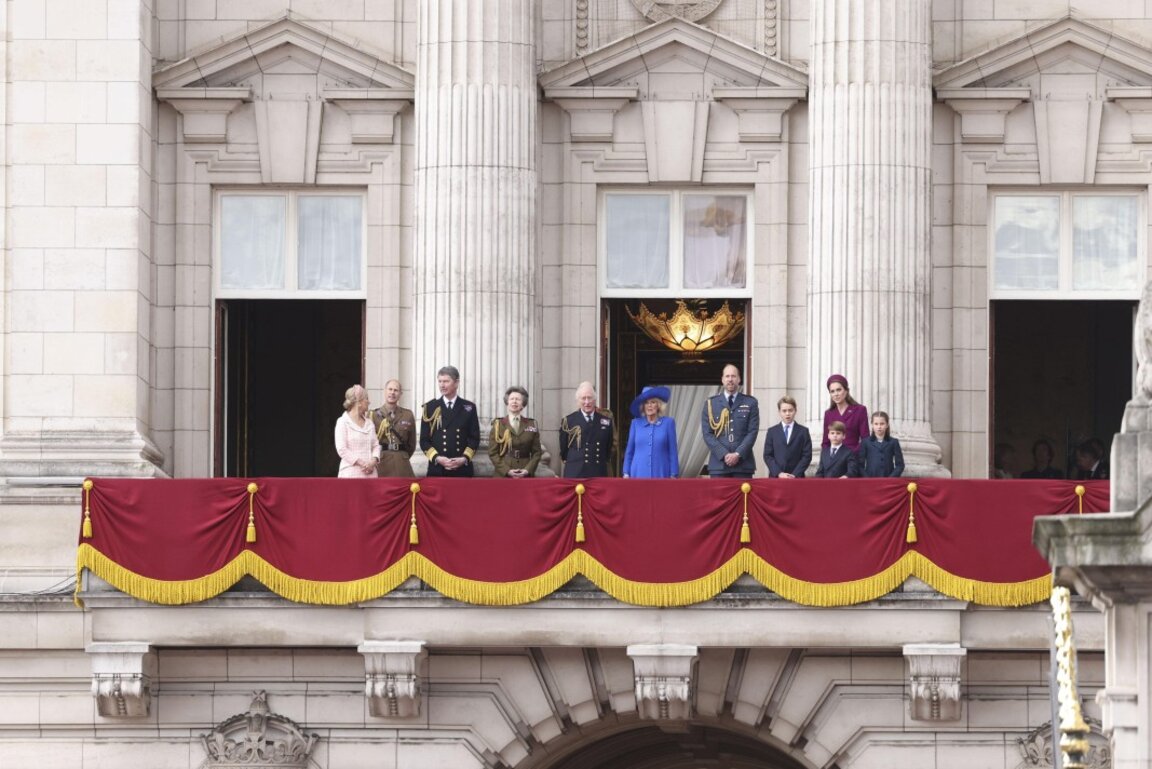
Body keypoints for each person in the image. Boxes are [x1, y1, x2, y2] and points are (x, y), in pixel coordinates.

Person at [419, 365, 480, 477]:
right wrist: (437, 458)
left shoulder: (469, 407)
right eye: (440, 381)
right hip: (437, 469)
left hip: (462, 469)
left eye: (446, 381)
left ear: (456, 383)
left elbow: (474, 438)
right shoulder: (430, 407)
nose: (442, 385)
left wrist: (464, 458)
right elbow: (424, 440)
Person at [701, 364, 760, 478]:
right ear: (722, 380)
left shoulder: (750, 403)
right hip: (718, 466)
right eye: (727, 376)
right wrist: (724, 454)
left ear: (739, 379)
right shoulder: (711, 404)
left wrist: (738, 454)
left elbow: (752, 432)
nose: (730, 379)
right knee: (718, 497)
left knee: (744, 497)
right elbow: (707, 433)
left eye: (733, 376)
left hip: (743, 465)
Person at [559, 381, 617, 478]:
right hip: (575, 472)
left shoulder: (606, 421)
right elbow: (564, 450)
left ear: (595, 399)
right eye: (583, 398)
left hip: (598, 472)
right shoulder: (568, 421)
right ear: (578, 400)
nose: (587, 402)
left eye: (590, 398)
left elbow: (608, 448)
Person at [622, 385, 679, 478]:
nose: (649, 406)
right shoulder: (635, 423)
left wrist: (673, 474)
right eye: (646, 403)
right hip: (638, 473)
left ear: (658, 405)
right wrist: (626, 472)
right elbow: (630, 451)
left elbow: (673, 451)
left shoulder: (668, 423)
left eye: (653, 402)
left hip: (661, 472)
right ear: (643, 406)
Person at [489, 385, 542, 478]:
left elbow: (537, 453)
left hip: (525, 472)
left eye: (518, 399)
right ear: (507, 402)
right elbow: (493, 453)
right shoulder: (498, 424)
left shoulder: (531, 424)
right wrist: (506, 470)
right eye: (511, 399)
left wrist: (527, 470)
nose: (514, 401)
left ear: (523, 404)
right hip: (503, 473)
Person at [371, 379, 416, 477]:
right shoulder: (373, 415)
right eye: (390, 389)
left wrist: (402, 456)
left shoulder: (408, 415)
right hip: (382, 463)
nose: (392, 393)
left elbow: (411, 444)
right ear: (385, 391)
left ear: (400, 394)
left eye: (396, 390)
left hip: (402, 465)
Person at [334, 384, 380, 478]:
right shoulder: (343, 422)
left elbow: (376, 445)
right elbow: (342, 449)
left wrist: (373, 461)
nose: (369, 402)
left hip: (370, 474)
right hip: (350, 473)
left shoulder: (369, 423)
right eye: (366, 399)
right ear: (359, 402)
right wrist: (362, 463)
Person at [763, 395, 812, 478]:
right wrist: (779, 473)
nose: (787, 413)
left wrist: (795, 474)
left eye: (790, 410)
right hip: (776, 478)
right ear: (779, 412)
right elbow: (768, 455)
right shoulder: (772, 432)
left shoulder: (803, 431)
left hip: (797, 478)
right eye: (784, 411)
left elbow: (807, 456)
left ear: (795, 411)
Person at [822, 374, 869, 452]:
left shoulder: (860, 410)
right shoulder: (828, 413)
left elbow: (865, 439)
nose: (836, 394)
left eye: (839, 390)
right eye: (832, 391)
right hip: (834, 460)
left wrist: (853, 454)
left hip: (853, 458)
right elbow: (825, 442)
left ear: (846, 390)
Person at [857, 411, 905, 477]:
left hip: (888, 480)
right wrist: (867, 478)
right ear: (872, 425)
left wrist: (891, 478)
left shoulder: (893, 442)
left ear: (887, 425)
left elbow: (900, 465)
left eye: (882, 424)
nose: (879, 426)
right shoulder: (866, 442)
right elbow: (860, 465)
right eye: (876, 424)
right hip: (870, 480)